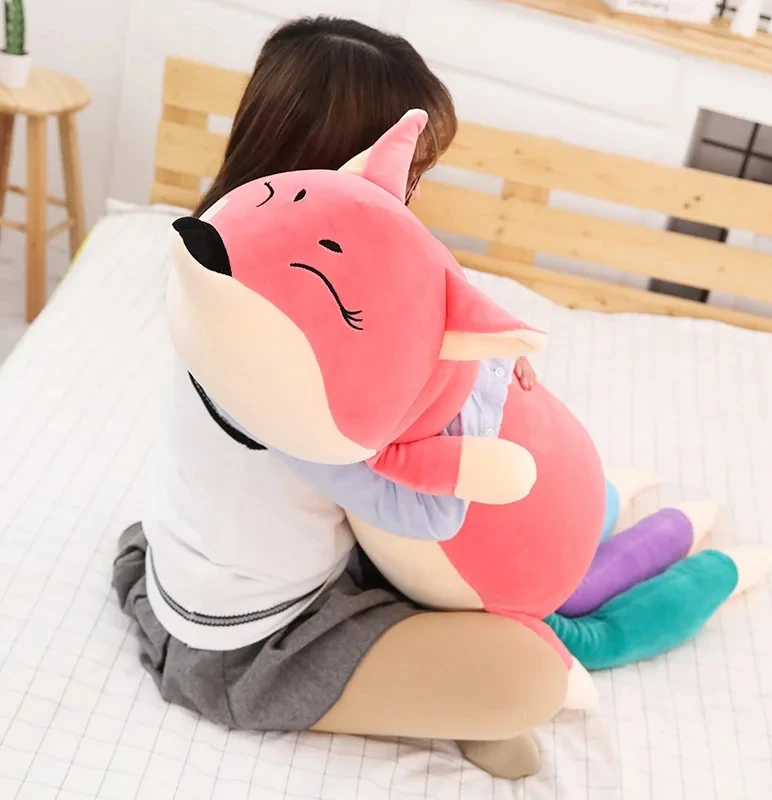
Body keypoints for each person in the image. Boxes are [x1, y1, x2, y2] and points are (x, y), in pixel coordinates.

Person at [113, 16, 565, 781]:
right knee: (528, 678)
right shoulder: (284, 346)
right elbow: (416, 509)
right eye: (408, 174)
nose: (409, 197)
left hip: (210, 575)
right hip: (245, 649)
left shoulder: (219, 268)